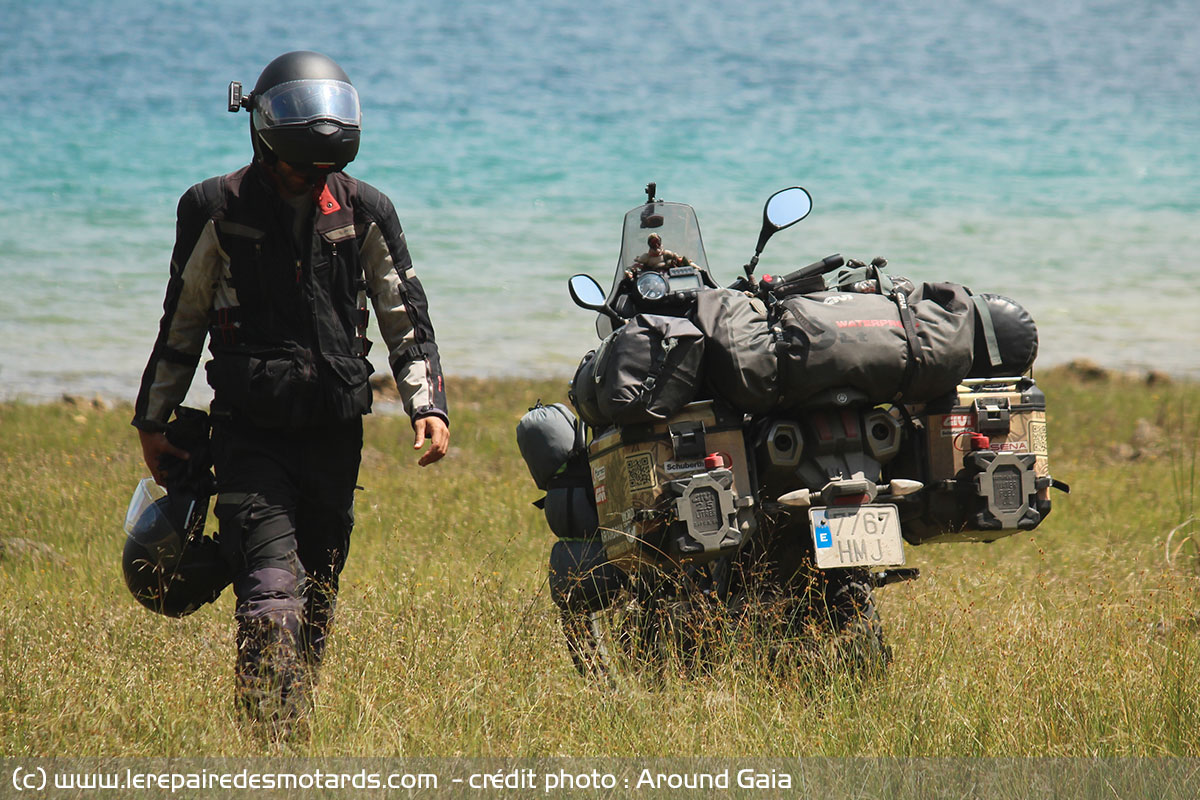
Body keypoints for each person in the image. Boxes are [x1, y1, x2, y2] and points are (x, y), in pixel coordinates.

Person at [131, 51, 450, 730]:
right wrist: (152, 419)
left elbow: (404, 315)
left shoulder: (366, 211)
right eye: (297, 167)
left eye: (321, 170)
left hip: (336, 430)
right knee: (270, 586)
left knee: (318, 588)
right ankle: (266, 735)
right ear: (263, 139)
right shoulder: (213, 207)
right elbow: (183, 318)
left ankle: (291, 728)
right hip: (249, 430)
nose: (308, 180)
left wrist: (426, 404)